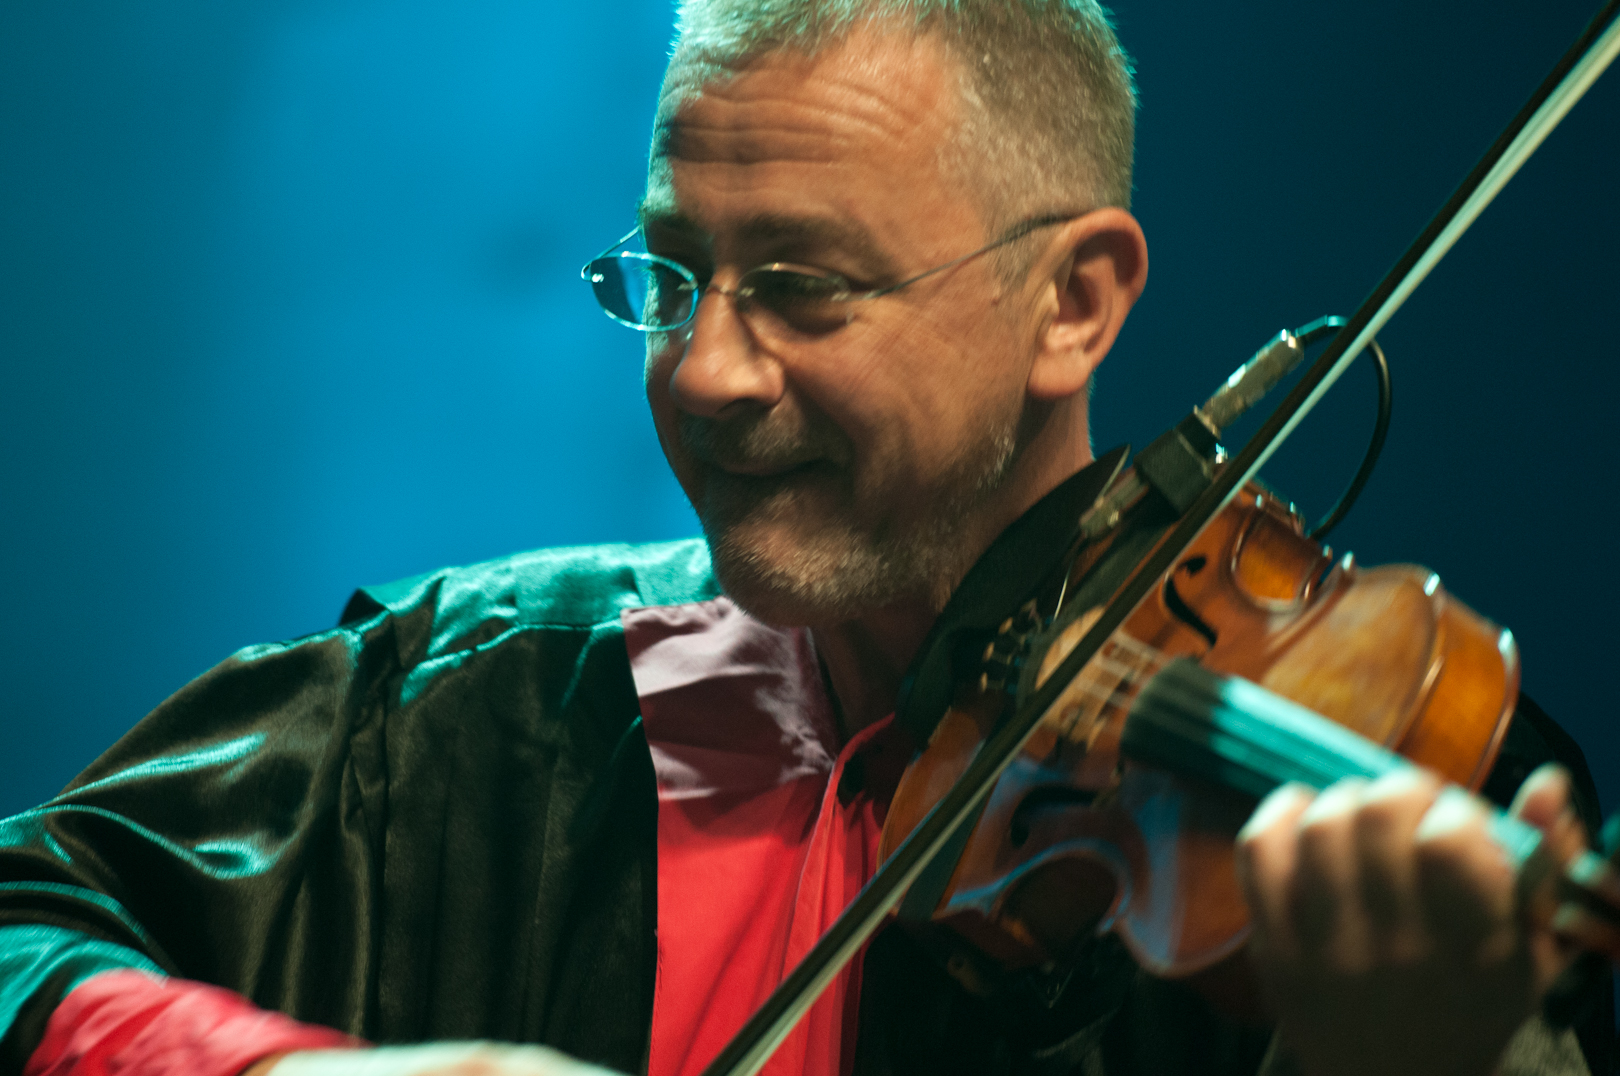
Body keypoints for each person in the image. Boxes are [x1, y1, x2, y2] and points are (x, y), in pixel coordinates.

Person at [0, 2, 1609, 1076]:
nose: (703, 369)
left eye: (805, 290)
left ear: (1077, 300)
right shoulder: (466, 700)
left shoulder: (1320, 849)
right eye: (677, 271)